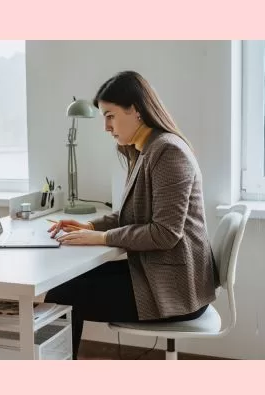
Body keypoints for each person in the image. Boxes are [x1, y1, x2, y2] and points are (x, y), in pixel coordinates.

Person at [45, 71, 219, 360]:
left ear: (136, 110)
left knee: (64, 296)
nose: (106, 126)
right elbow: (132, 214)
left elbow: (165, 232)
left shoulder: (168, 152)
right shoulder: (144, 150)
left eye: (110, 115)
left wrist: (101, 237)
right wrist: (89, 225)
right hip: (157, 273)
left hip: (176, 289)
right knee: (66, 285)